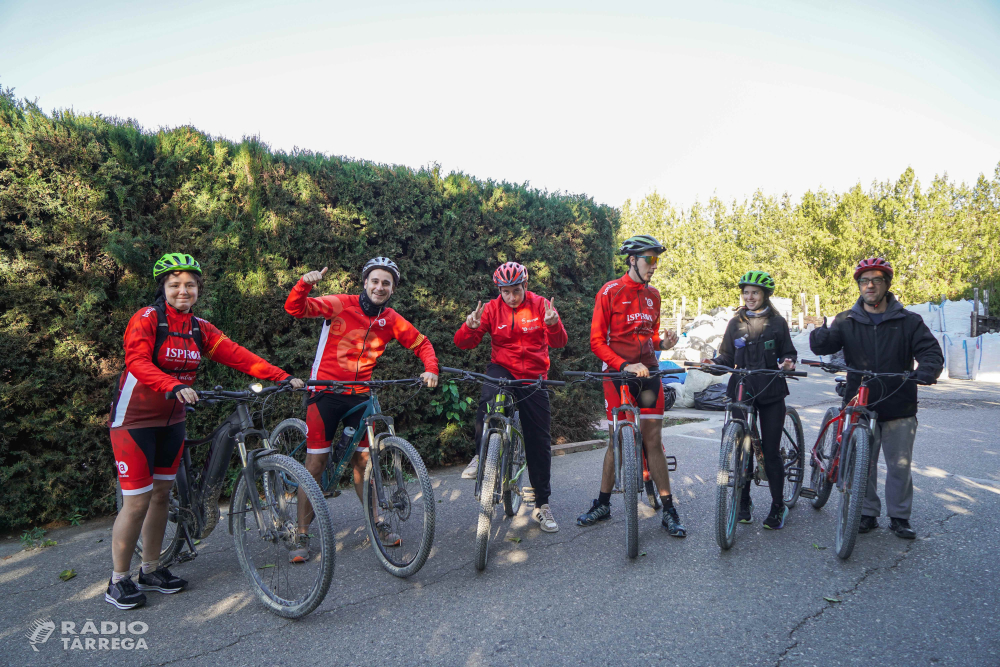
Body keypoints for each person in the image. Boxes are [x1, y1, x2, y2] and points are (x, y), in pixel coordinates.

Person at [108, 253, 304, 609]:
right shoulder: (148, 319)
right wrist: (170, 384)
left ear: (198, 289)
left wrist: (282, 376)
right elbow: (136, 360)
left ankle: (150, 569)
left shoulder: (200, 328)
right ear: (163, 288)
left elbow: (238, 355)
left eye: (190, 285)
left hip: (172, 420)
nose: (183, 291)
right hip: (134, 421)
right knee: (137, 502)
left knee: (162, 497)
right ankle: (118, 579)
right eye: (175, 285)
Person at [284, 257, 439, 560]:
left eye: (386, 283)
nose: (380, 287)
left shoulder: (391, 319)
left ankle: (377, 521)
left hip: (359, 396)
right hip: (324, 394)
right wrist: (304, 284)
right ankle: (301, 534)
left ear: (392, 289)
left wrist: (430, 368)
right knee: (315, 464)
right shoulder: (341, 304)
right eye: (375, 281)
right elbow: (295, 309)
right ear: (365, 283)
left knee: (363, 463)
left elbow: (422, 342)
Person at [810, 257, 943, 539]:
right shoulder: (847, 319)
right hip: (859, 401)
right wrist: (819, 336)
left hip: (899, 402)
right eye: (864, 281)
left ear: (887, 285)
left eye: (876, 280)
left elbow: (930, 351)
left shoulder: (909, 321)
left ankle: (899, 517)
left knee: (899, 466)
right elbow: (828, 345)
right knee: (862, 463)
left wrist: (927, 370)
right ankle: (867, 513)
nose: (870, 285)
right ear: (859, 286)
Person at [576, 234, 686, 537]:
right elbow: (596, 342)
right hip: (617, 373)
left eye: (656, 259)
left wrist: (662, 342)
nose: (654, 265)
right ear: (632, 260)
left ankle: (669, 510)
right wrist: (624, 365)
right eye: (649, 259)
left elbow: (647, 335)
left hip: (648, 372)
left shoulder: (655, 296)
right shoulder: (609, 291)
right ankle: (602, 503)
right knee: (616, 440)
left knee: (653, 440)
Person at [454, 262, 568, 532]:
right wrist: (469, 327)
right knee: (488, 397)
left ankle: (542, 504)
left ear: (525, 286)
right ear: (499, 290)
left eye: (516, 291)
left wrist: (554, 325)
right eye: (506, 292)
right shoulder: (492, 309)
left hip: (532, 375)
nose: (511, 297)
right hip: (502, 369)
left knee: (538, 438)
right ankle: (481, 456)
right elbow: (462, 343)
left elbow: (560, 341)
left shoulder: (541, 306)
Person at [705, 271, 797, 530]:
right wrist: (713, 365)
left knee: (770, 451)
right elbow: (725, 357)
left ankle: (778, 506)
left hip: (770, 391)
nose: (749, 297)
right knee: (741, 449)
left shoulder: (778, 323)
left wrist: (788, 362)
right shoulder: (735, 322)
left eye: (754, 292)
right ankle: (744, 502)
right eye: (746, 292)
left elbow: (788, 352)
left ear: (765, 295)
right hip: (741, 391)